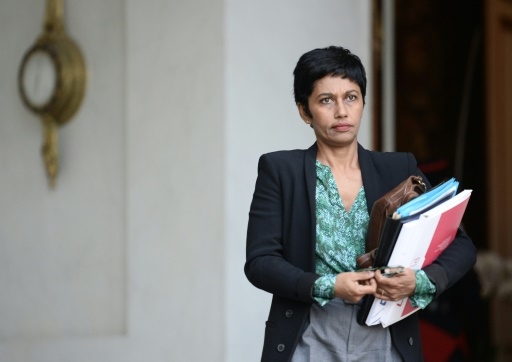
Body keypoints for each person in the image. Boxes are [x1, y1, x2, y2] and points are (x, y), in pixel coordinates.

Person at [244, 46, 477, 362]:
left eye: (351, 97)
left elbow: (461, 245)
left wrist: (421, 281)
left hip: (385, 331)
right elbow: (260, 262)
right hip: (311, 331)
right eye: (327, 100)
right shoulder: (281, 171)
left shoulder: (399, 169)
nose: (342, 111)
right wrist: (329, 286)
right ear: (304, 110)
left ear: (363, 102)